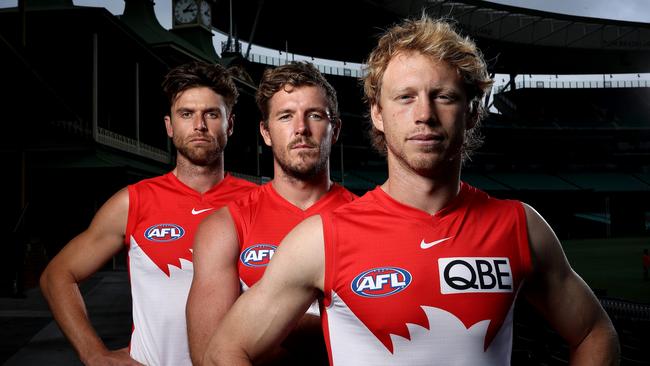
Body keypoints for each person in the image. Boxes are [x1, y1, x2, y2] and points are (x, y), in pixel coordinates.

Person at [203, 16, 620, 366]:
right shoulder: (321, 238)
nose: (424, 114)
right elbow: (227, 348)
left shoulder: (520, 226)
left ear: (472, 112)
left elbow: (594, 333)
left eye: (444, 96)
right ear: (378, 114)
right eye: (405, 98)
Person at [39, 61, 257, 366]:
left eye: (211, 114)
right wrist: (93, 354)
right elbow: (57, 275)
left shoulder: (258, 202)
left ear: (229, 125)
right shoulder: (135, 201)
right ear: (170, 126)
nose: (199, 126)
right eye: (186, 114)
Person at [186, 61, 355, 365]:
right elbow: (209, 353)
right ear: (266, 131)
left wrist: (254, 323)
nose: (301, 128)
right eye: (286, 116)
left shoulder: (366, 218)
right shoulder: (226, 225)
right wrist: (341, 326)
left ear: (335, 129)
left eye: (314, 115)